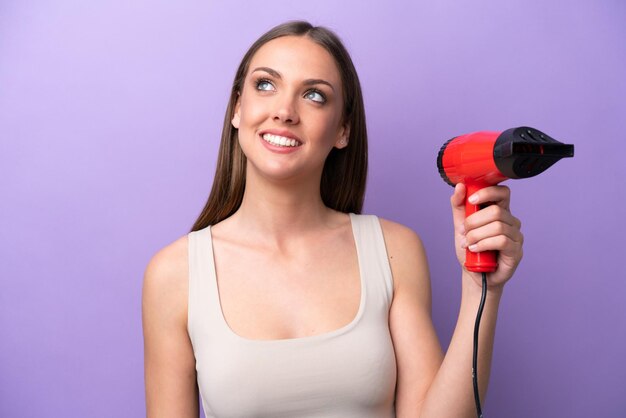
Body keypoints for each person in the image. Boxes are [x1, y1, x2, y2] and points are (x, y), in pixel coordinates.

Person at [142, 21, 523, 418]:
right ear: (238, 108)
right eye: (266, 85)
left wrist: (482, 291)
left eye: (314, 95)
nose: (285, 111)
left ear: (343, 130)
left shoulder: (393, 250)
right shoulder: (175, 274)